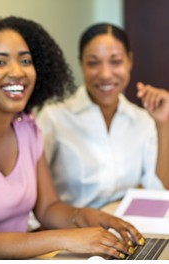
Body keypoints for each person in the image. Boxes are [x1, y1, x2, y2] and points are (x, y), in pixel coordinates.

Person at [0, 17, 144, 260]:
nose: (18, 71)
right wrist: (68, 238)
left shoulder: (26, 127)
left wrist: (89, 217)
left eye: (25, 60)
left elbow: (48, 208)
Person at [37, 23, 169, 209]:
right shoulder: (54, 118)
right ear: (81, 64)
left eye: (115, 62)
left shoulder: (143, 120)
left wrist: (164, 124)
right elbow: (33, 198)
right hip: (73, 231)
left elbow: (159, 191)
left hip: (127, 229)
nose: (105, 74)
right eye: (93, 63)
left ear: (130, 61)